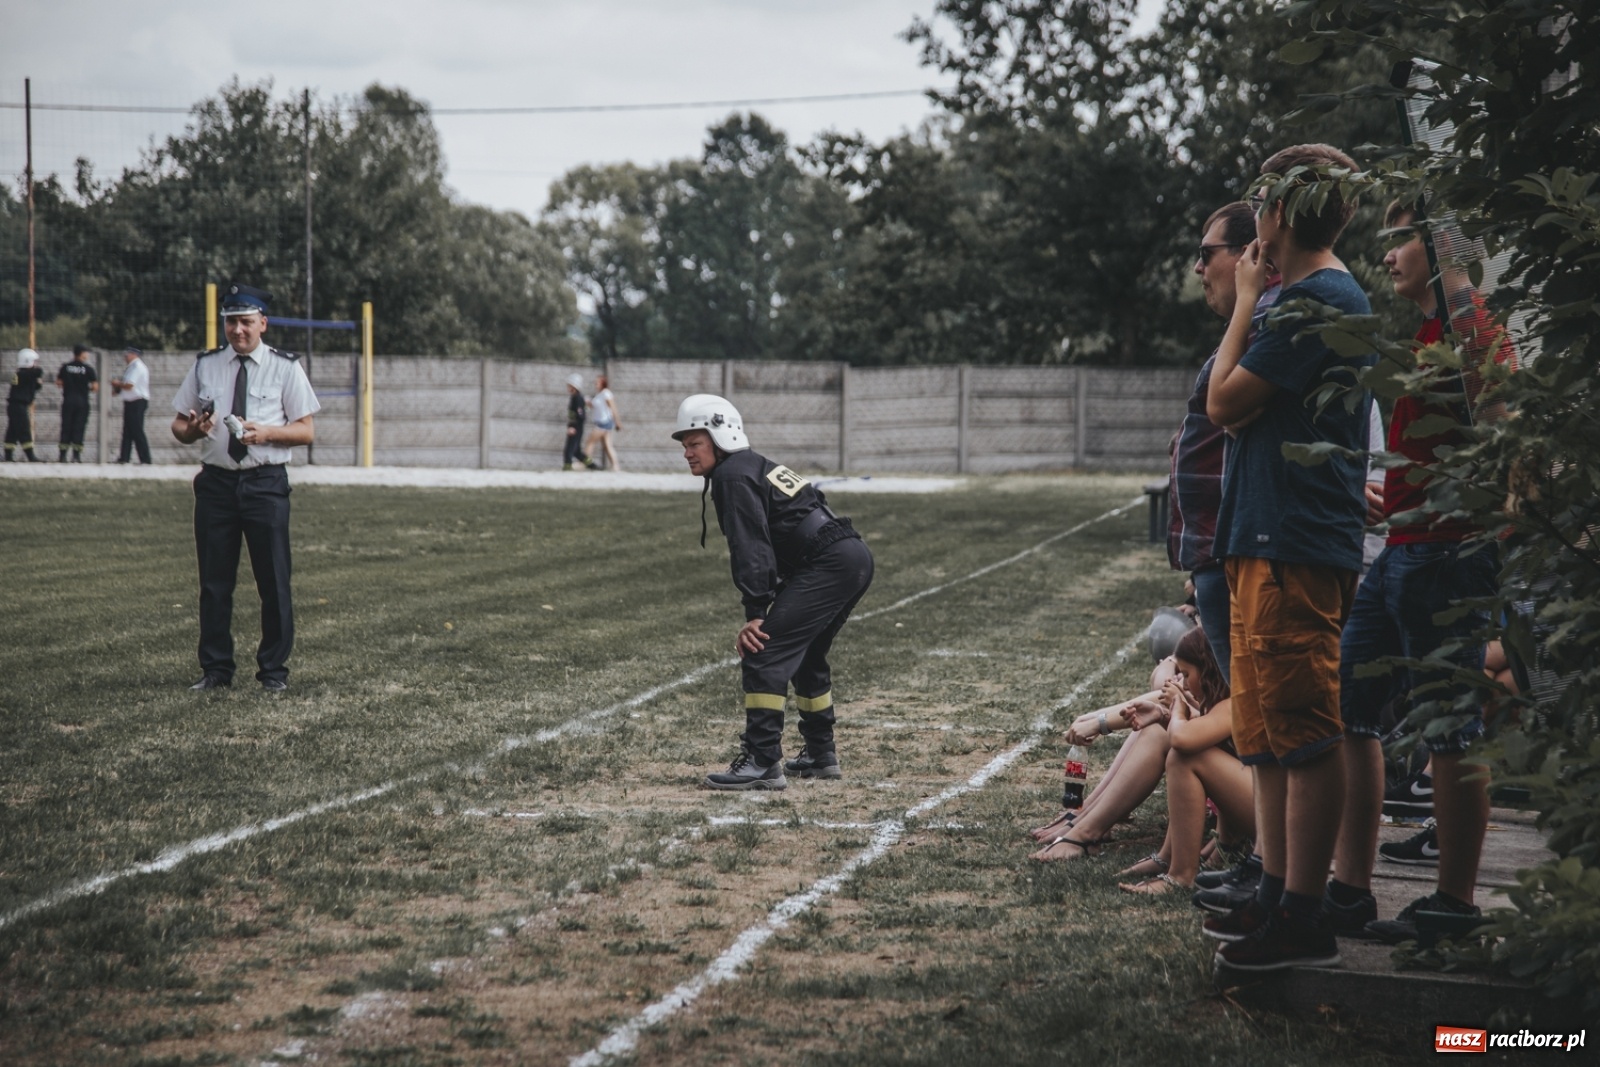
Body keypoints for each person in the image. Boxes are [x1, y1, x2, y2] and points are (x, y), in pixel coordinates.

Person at [1204, 144, 1375, 972]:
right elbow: (1237, 408)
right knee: (1266, 734)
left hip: (1294, 543)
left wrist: (1244, 298)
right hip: (1263, 537)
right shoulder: (1304, 297)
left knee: (1305, 732)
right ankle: (1275, 889)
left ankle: (1304, 912)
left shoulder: (1318, 300)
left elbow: (1223, 401)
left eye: (1260, 201)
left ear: (1280, 211)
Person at [1331, 200, 1514, 944]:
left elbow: (1501, 443)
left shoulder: (1474, 331)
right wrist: (1398, 496)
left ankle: (1454, 905)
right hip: (1404, 546)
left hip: (1445, 556)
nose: (1387, 254)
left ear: (1441, 245)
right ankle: (1348, 887)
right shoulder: (1431, 333)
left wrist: (1464, 520)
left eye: (1401, 238)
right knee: (1349, 706)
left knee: (1449, 727)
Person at [673, 394, 874, 790]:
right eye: (684, 446)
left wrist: (757, 612)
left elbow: (751, 547)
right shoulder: (753, 465)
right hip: (849, 556)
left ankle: (762, 761)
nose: (687, 454)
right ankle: (821, 753)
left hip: (829, 563)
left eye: (694, 443)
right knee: (807, 654)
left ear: (721, 437)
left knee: (763, 650)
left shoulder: (732, 476)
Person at [170, 283, 319, 692]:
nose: (238, 330)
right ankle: (216, 670)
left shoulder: (285, 367)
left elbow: (306, 431)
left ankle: (273, 673)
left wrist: (267, 433)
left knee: (273, 582)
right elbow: (179, 424)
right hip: (216, 484)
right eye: (231, 322)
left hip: (264, 483)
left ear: (263, 323)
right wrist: (192, 430)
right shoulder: (206, 365)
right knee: (214, 583)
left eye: (246, 322)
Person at [1117, 626, 1255, 894]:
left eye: (1187, 674)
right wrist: (1164, 715)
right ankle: (1172, 857)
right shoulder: (1228, 700)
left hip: (1284, 821)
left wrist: (1178, 709)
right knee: (1195, 751)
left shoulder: (1234, 702)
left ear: (1210, 671)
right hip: (1278, 814)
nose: (1183, 682)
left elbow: (1182, 739)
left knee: (1183, 758)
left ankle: (1180, 875)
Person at [56, 343, 98, 462]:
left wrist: (69, 385)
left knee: (66, 427)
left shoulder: (65, 367)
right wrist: (86, 388)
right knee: (79, 428)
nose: (87, 355)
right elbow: (95, 387)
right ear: (81, 354)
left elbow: (59, 383)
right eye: (86, 352)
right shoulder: (88, 369)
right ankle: (76, 456)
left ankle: (62, 455)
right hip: (82, 402)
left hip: (68, 401)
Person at [111, 346, 152, 464]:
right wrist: (118, 390)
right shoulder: (131, 367)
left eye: (128, 354)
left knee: (137, 430)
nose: (125, 356)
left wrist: (117, 383)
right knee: (127, 431)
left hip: (137, 402)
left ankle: (145, 459)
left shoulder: (137, 367)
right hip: (130, 402)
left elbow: (129, 385)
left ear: (134, 354)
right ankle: (124, 457)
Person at [4, 348, 45, 462]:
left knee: (12, 431)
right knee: (24, 429)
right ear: (28, 361)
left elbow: (31, 387)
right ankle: (30, 456)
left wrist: (38, 384)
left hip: (17, 406)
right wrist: (37, 375)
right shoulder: (23, 374)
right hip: (18, 406)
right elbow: (38, 372)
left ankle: (8, 455)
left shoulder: (24, 375)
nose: (36, 364)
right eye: (34, 361)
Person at [583, 374, 622, 471]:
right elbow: (595, 407)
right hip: (601, 422)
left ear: (603, 383)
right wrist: (588, 403)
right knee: (607, 446)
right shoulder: (599, 394)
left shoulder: (606, 393)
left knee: (590, 441)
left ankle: (585, 463)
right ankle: (615, 466)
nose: (595, 384)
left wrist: (617, 422)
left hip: (604, 422)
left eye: (597, 382)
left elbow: (613, 408)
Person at [562, 372, 595, 470]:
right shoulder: (574, 397)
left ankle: (567, 466)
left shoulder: (577, 398)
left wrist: (573, 427)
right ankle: (592, 465)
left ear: (574, 386)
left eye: (570, 386)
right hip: (575, 426)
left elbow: (580, 415)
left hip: (576, 427)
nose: (568, 388)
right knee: (576, 451)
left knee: (569, 449)